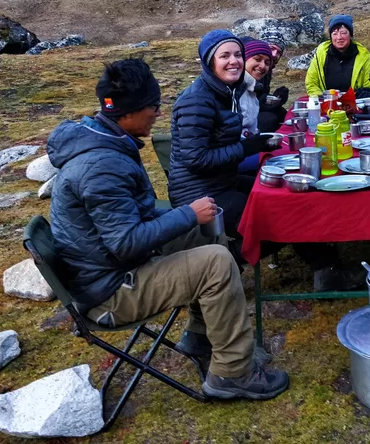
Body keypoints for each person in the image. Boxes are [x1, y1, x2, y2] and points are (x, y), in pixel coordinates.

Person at [47, 58, 289, 400]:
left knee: (211, 235)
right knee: (216, 261)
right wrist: (188, 214)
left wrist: (190, 221)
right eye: (153, 107)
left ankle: (200, 336)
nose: (158, 114)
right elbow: (125, 244)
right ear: (129, 112)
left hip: (112, 268)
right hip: (112, 292)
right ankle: (233, 373)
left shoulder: (106, 142)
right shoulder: (100, 166)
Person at [170, 31, 279, 242]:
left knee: (273, 190)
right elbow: (196, 159)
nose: (234, 61)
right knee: (271, 217)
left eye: (238, 55)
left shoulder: (227, 92)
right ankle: (232, 258)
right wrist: (247, 148)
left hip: (223, 181)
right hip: (198, 194)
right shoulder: (197, 100)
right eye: (225, 56)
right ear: (210, 62)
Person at [305, 14, 370, 96]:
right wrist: (322, 99)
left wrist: (357, 97)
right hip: (327, 104)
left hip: (355, 104)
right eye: (335, 33)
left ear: (350, 35)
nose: (339, 37)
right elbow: (311, 82)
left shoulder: (363, 55)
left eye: (343, 33)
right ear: (330, 37)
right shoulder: (321, 53)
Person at [257, 30, 290, 132]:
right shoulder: (249, 67)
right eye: (271, 48)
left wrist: (277, 98)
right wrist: (262, 101)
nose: (275, 54)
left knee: (284, 114)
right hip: (242, 114)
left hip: (256, 107)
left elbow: (261, 94)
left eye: (279, 52)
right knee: (269, 119)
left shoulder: (268, 69)